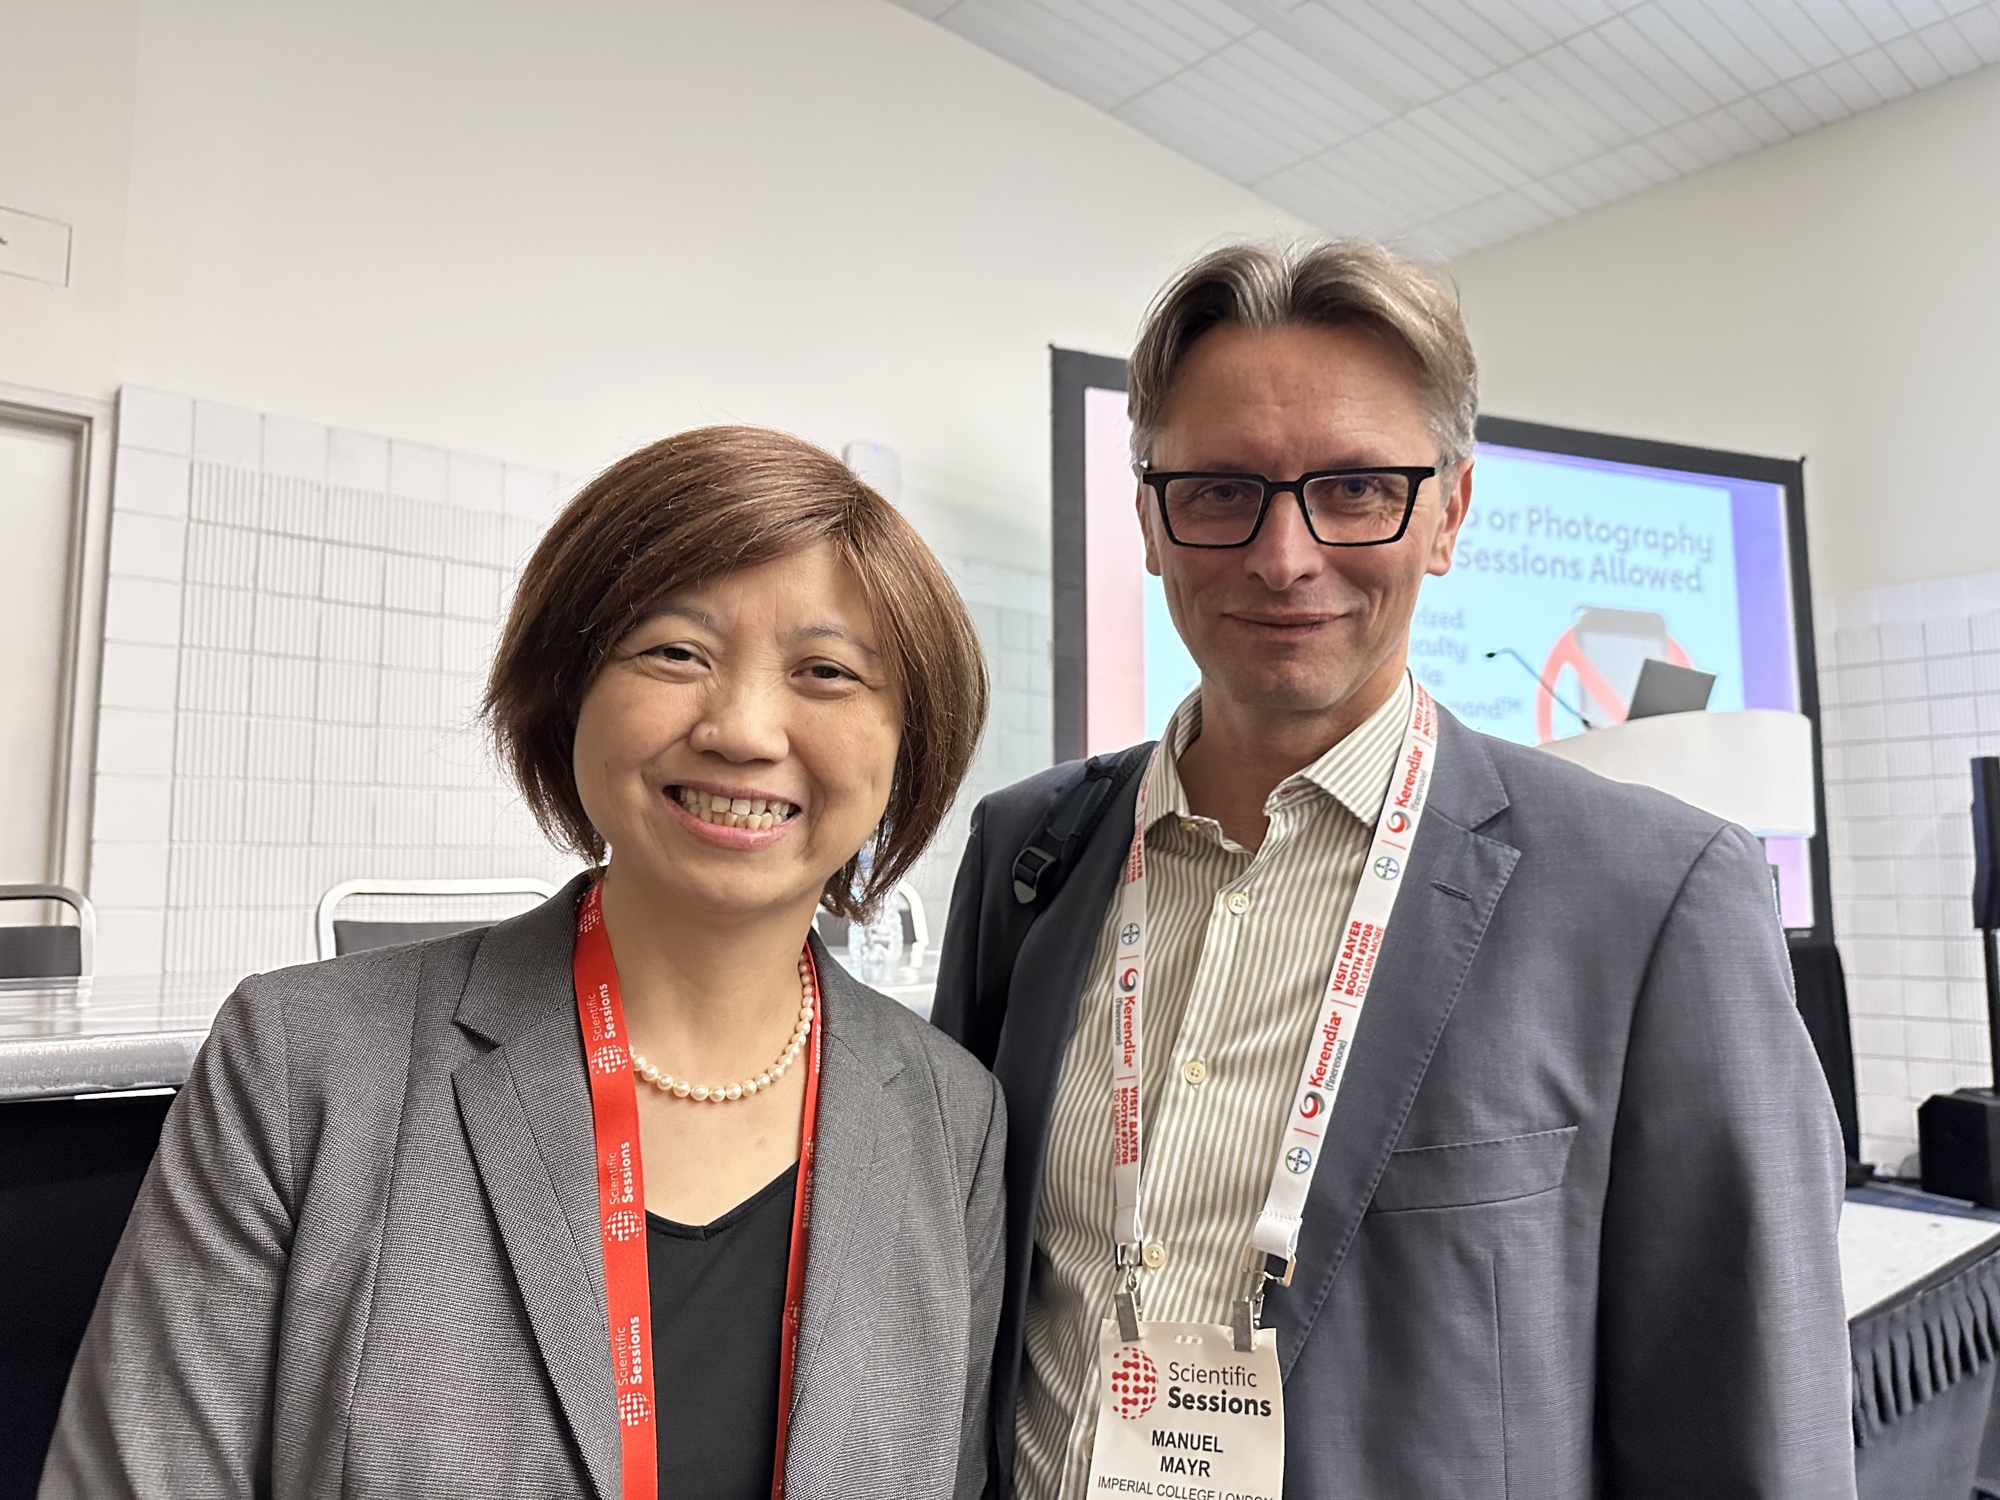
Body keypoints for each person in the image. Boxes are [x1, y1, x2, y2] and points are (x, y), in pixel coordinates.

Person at [934, 242, 1854, 1498]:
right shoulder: (1029, 852)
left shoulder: (1651, 895)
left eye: (1357, 488)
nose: (1282, 555)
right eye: (1219, 490)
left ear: (1447, 515)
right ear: (1148, 517)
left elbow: (1745, 1427)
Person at [44, 426, 1005, 1499]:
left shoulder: (950, 1118)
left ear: (907, 743)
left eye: (825, 672)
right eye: (674, 652)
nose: (742, 730)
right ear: (567, 691)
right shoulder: (301, 1065)